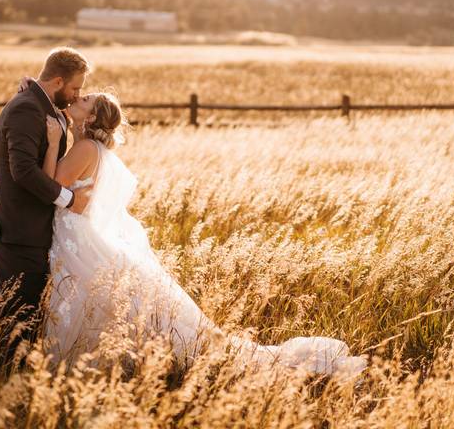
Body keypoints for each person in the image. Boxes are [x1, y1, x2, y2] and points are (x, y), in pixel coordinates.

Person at [34, 88, 368, 379]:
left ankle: (76, 363)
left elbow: (51, 184)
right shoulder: (89, 147)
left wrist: (50, 145)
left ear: (91, 118)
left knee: (83, 298)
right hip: (78, 233)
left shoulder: (85, 149)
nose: (80, 96)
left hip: (78, 237)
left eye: (87, 98)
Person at [0, 47, 94, 383]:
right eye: (74, 88)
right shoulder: (26, 109)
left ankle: (14, 378)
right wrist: (68, 199)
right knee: (15, 310)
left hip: (30, 228)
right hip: (15, 228)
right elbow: (24, 171)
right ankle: (2, 380)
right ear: (58, 80)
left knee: (26, 308)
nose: (77, 94)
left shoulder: (43, 104)